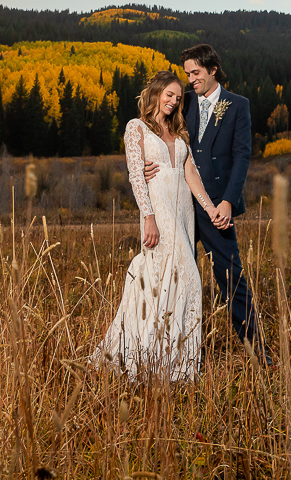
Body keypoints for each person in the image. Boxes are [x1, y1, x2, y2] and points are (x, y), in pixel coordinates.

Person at [91, 70, 224, 381]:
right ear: (155, 93)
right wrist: (148, 217)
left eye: (178, 98)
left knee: (182, 280)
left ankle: (177, 362)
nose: (173, 101)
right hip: (158, 211)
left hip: (183, 213)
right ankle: (148, 357)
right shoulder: (135, 128)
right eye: (169, 95)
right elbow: (137, 175)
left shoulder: (178, 133)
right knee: (170, 275)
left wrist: (211, 208)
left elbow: (192, 177)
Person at [144, 43, 263, 356]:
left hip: (216, 208)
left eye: (195, 73)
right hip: (178, 205)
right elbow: (157, 136)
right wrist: (146, 162)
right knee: (172, 276)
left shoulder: (238, 105)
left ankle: (256, 349)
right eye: (187, 74)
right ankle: (167, 349)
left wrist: (227, 201)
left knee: (231, 276)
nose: (190, 79)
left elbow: (241, 156)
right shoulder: (183, 103)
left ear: (212, 70)